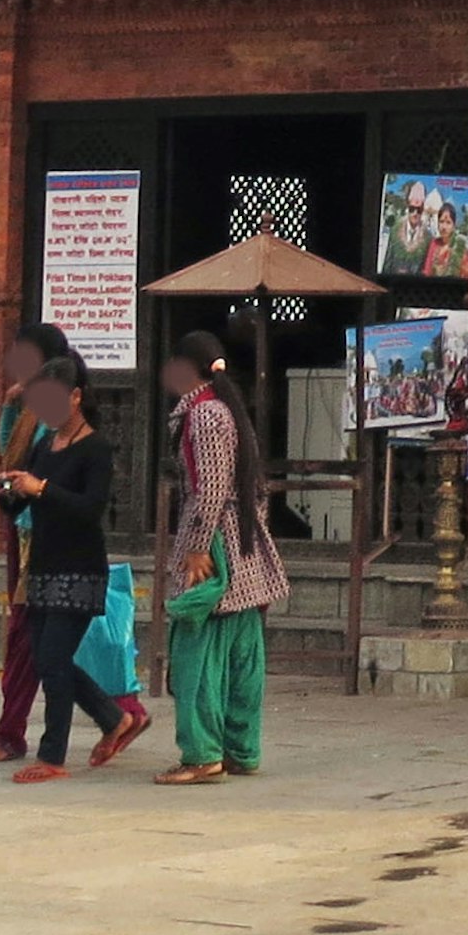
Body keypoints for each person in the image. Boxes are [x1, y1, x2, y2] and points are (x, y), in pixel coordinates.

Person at [0, 354, 151, 780]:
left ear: (76, 397)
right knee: (51, 660)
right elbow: (23, 507)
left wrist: (42, 488)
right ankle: (113, 718)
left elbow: (90, 508)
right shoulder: (46, 445)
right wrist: (7, 491)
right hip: (44, 565)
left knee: (52, 658)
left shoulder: (94, 448)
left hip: (80, 571)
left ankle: (52, 755)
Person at [155, 326, 291, 783]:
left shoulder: (205, 415)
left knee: (197, 656)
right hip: (243, 541)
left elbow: (209, 487)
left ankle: (202, 755)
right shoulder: (228, 410)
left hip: (215, 545)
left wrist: (196, 548)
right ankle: (241, 750)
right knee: (242, 656)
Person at [0, 321, 65, 765]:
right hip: (23, 526)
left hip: (42, 535)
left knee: (28, 635)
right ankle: (120, 712)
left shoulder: (58, 409)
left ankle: (10, 733)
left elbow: (39, 473)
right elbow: (10, 457)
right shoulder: (30, 408)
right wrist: (8, 408)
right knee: (40, 635)